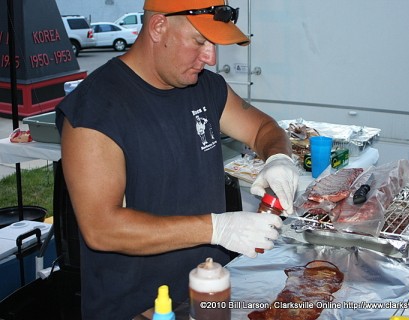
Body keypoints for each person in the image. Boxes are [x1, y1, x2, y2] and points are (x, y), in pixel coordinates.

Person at [55, 0, 299, 318]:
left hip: (212, 290)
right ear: (159, 27)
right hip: (141, 309)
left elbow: (264, 128)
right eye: (200, 41)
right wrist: (217, 229)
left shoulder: (206, 89)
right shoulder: (96, 108)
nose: (210, 57)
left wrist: (279, 158)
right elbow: (102, 228)